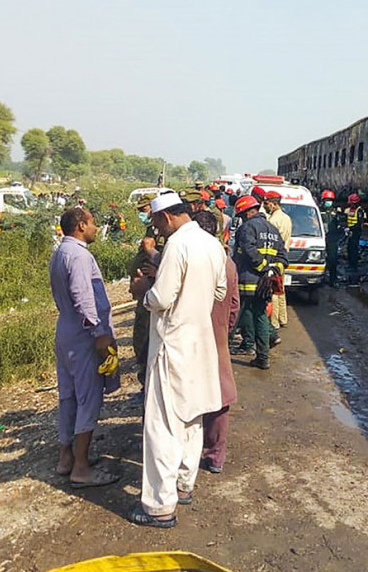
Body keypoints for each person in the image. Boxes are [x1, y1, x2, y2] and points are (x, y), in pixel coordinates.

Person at [127, 192, 226, 528]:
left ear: (166, 218)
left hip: (173, 345)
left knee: (162, 425)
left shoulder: (177, 245)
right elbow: (219, 292)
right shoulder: (212, 244)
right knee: (191, 416)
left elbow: (162, 297)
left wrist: (144, 291)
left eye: (156, 223)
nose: (156, 230)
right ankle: (184, 484)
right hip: (200, 342)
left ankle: (159, 506)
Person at [48, 207, 121, 488]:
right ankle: (80, 467)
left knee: (68, 396)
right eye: (92, 223)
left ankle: (65, 457)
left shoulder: (60, 252)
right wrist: (100, 333)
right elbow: (82, 297)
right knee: (88, 397)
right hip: (83, 334)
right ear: (80, 226)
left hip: (66, 329)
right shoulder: (79, 256)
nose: (95, 228)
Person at [191, 210, 239, 474]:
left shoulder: (186, 258)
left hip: (190, 338)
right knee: (219, 399)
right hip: (217, 337)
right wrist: (224, 331)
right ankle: (214, 455)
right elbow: (234, 306)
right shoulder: (227, 263)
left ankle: (186, 452)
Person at [231, 195, 287, 369]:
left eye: (241, 215)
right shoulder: (273, 229)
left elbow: (247, 250)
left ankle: (250, 349)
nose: (241, 218)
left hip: (248, 279)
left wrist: (263, 266)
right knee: (261, 315)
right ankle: (262, 357)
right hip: (266, 283)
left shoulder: (248, 227)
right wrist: (272, 270)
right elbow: (283, 257)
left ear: (248, 212)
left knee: (247, 313)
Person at [129, 193, 163, 389]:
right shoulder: (151, 229)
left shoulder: (163, 233)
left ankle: (147, 383)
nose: (143, 214)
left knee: (145, 338)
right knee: (140, 337)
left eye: (144, 210)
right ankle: (144, 378)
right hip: (144, 289)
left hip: (153, 290)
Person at [263, 190, 292, 336]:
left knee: (273, 290)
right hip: (283, 257)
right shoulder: (287, 218)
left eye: (266, 203)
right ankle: (283, 318)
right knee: (281, 289)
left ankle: (274, 322)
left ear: (274, 204)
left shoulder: (272, 221)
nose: (265, 206)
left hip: (274, 258)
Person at [320, 190, 344, 286]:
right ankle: (321, 278)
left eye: (330, 200)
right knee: (320, 259)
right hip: (321, 238)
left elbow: (340, 224)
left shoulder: (335, 212)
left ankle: (332, 280)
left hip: (332, 239)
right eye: (327, 200)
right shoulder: (318, 211)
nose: (328, 202)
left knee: (333, 260)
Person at [345, 193, 368, 272]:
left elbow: (359, 223)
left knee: (354, 249)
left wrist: (350, 228)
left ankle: (354, 266)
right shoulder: (350, 210)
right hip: (350, 231)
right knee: (349, 248)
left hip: (355, 232)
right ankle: (350, 264)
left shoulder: (359, 211)